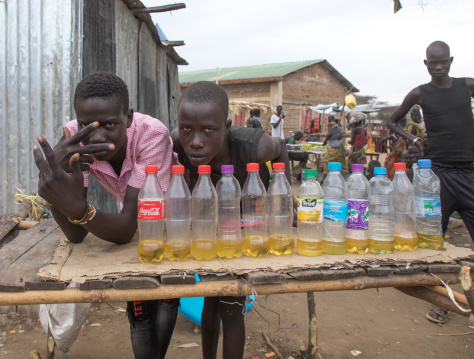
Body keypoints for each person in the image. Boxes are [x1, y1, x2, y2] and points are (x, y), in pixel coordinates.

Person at [33, 72, 178, 359]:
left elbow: (124, 228)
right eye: (87, 125)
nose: (96, 137)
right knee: (139, 304)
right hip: (136, 214)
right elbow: (76, 233)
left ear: (128, 117)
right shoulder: (74, 136)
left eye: (110, 125)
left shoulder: (152, 135)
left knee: (165, 293)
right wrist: (51, 183)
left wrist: (76, 209)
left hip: (171, 216)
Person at [387, 40, 474, 323]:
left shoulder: (468, 86)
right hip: (436, 178)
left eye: (443, 62)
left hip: (469, 175)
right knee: (434, 244)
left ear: (451, 61)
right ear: (426, 64)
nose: (438, 67)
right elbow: (394, 121)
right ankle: (445, 302)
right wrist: (414, 139)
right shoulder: (420, 93)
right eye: (433, 63)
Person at [171, 81, 290, 359]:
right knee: (211, 297)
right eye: (187, 128)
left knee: (230, 303)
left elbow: (281, 146)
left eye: (209, 130)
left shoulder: (254, 147)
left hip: (247, 226)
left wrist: (287, 203)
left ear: (226, 127)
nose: (196, 141)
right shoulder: (177, 142)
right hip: (208, 228)